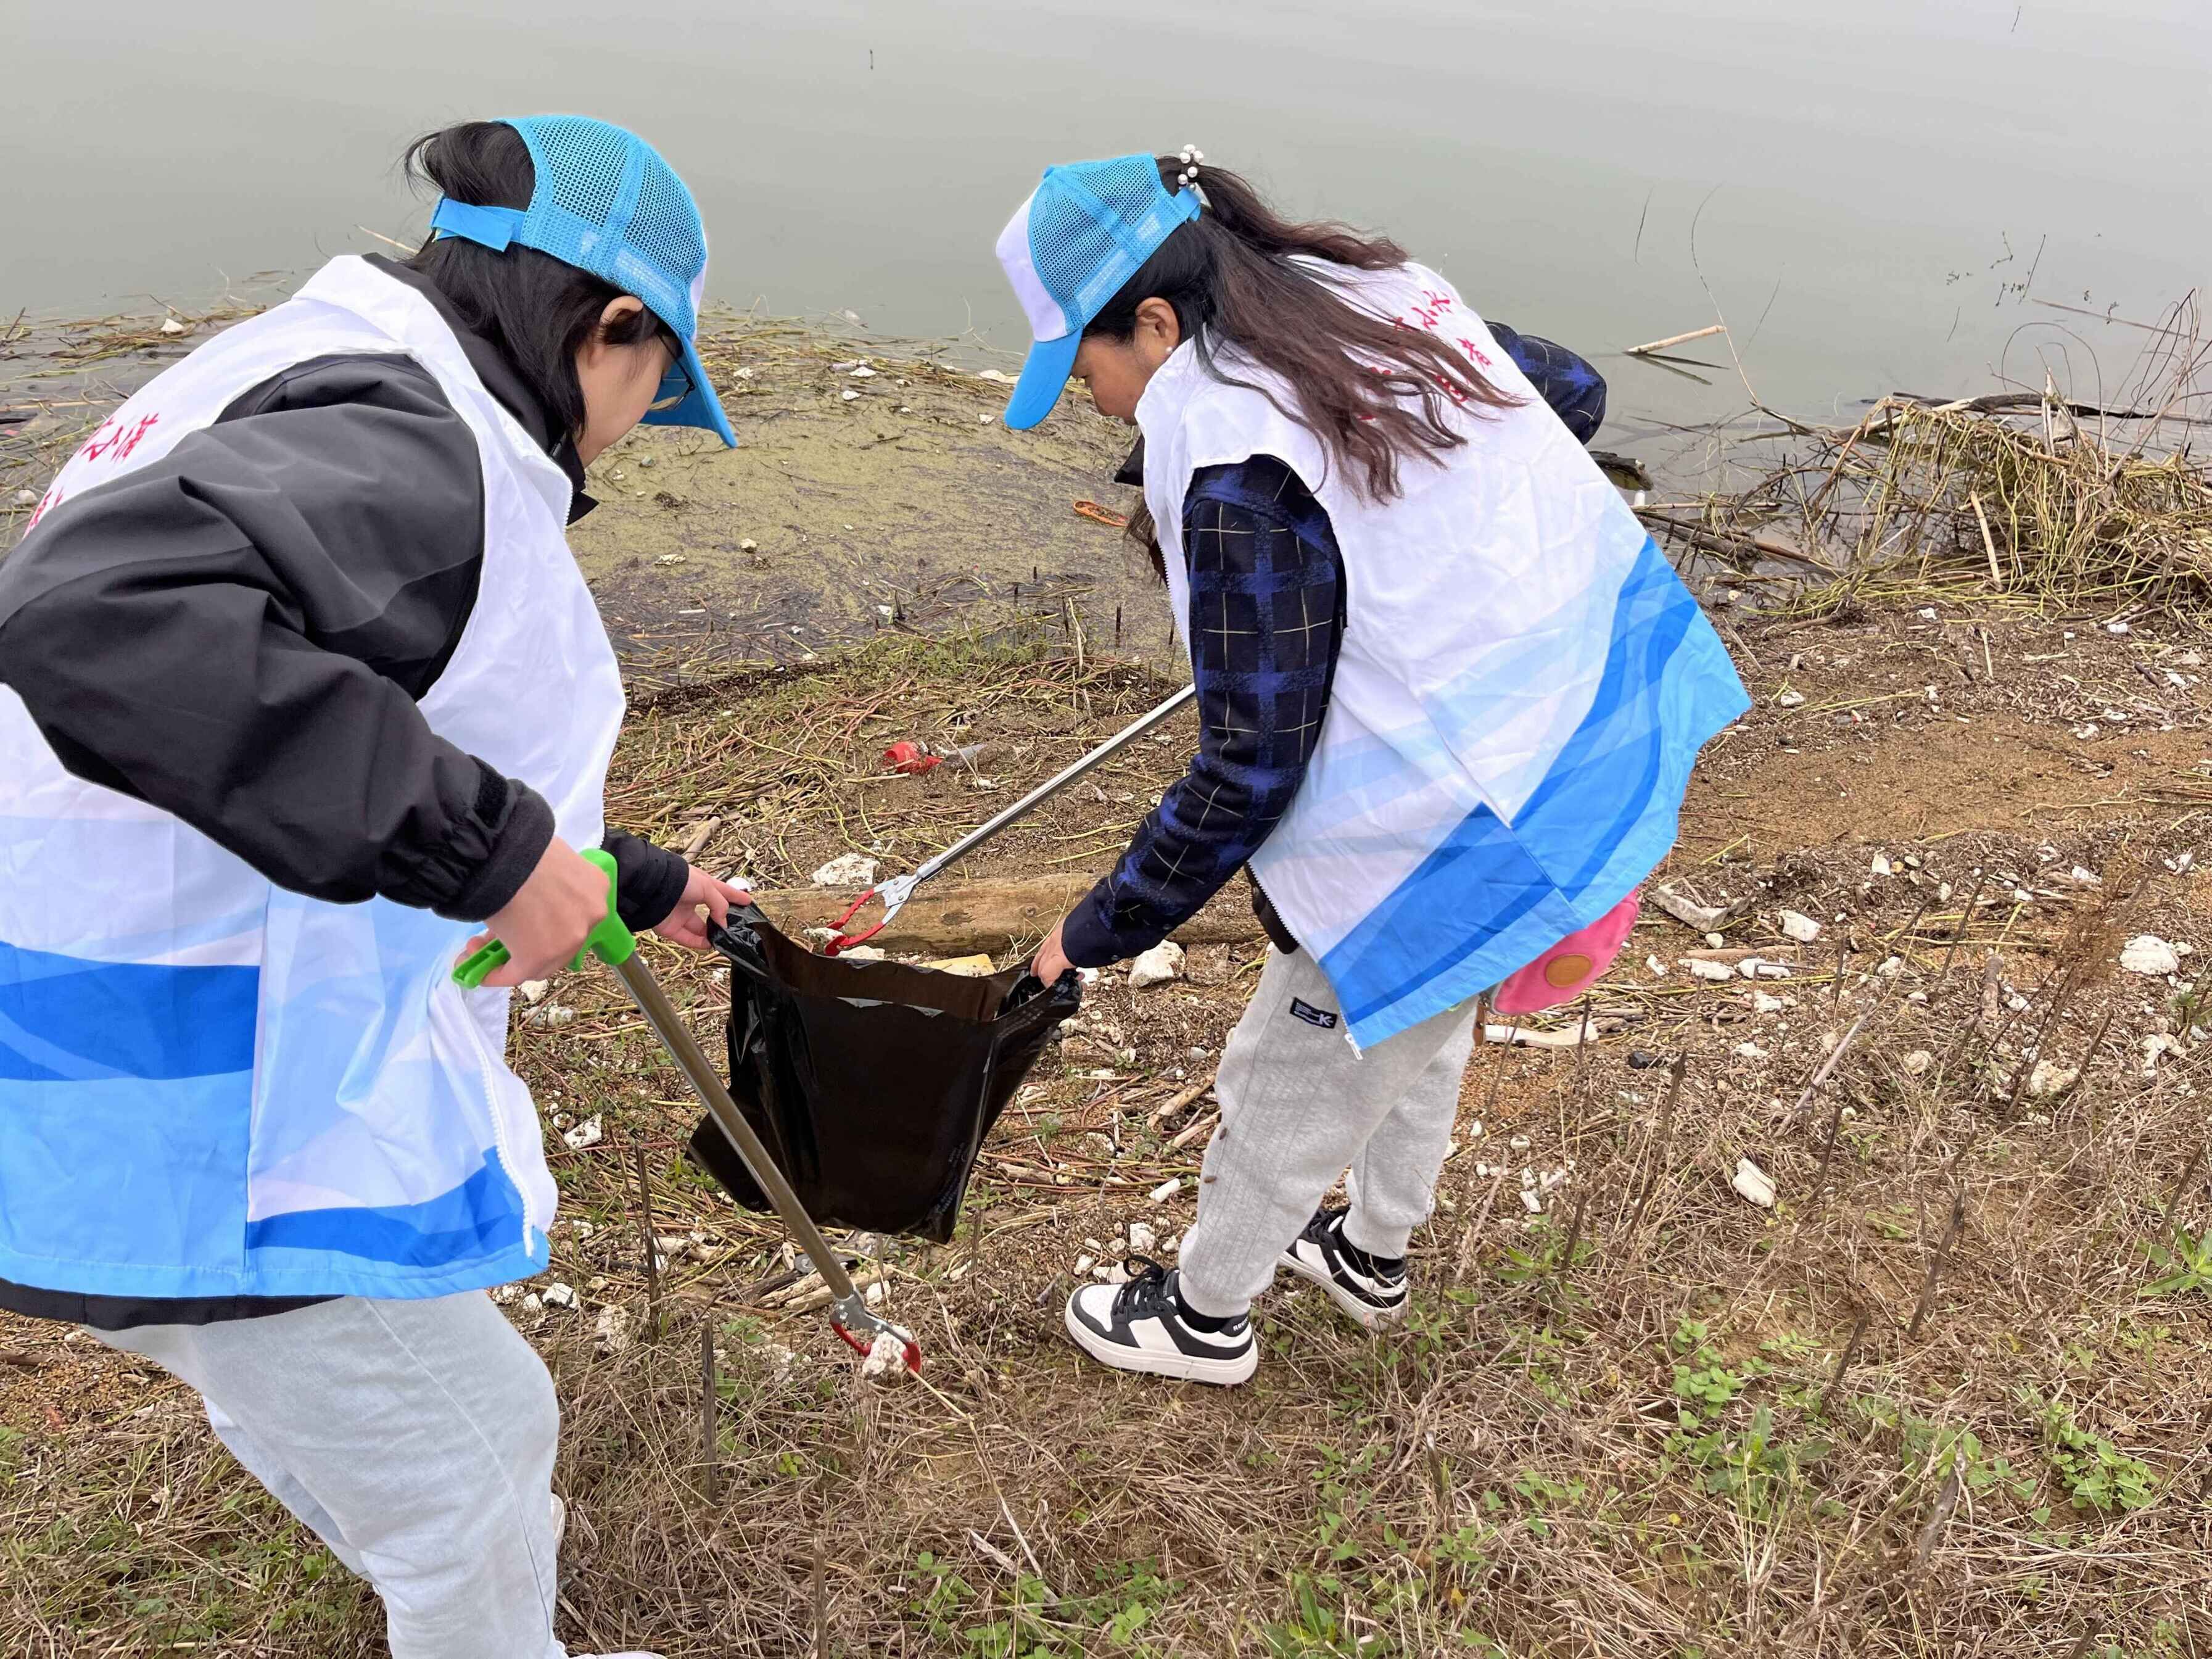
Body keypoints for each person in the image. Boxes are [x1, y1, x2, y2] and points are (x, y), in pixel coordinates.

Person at [0, 117, 745, 1658]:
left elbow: (359, 707)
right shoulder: (411, 436)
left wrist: (626, 872)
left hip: (75, 1055)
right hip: (178, 1107)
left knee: (330, 1403)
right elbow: (101, 614)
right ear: (611, 328)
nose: (622, 437)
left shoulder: (306, 362)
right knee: (476, 1463)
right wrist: (479, 847)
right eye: (648, 391)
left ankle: (399, 1547)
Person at [991, 151, 1748, 1386]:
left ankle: (1202, 1315)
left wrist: (1092, 930)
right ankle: (1370, 1253)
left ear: (1153, 321)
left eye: (1087, 371)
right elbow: (1571, 391)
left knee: (1299, 1050)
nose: (1093, 404)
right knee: (1428, 1000)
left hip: (1457, 810)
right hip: (1582, 727)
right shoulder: (1359, 307)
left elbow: (1245, 769)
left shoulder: (1236, 466)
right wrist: (1401, 558)